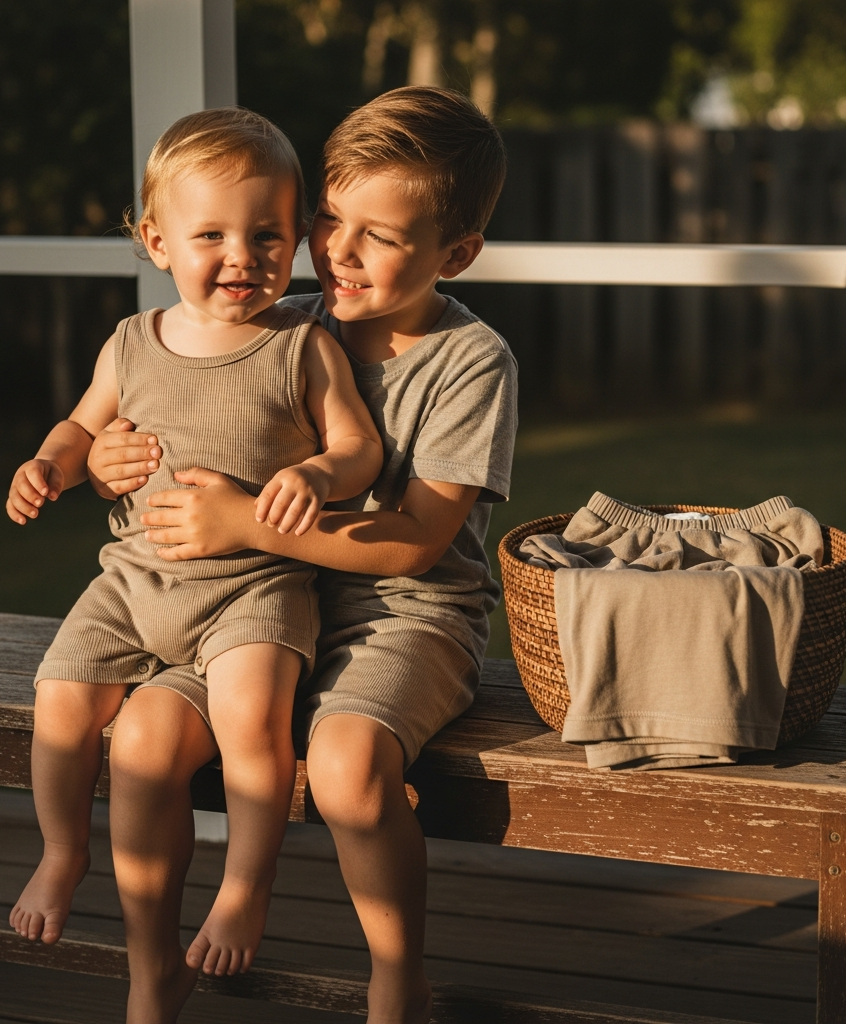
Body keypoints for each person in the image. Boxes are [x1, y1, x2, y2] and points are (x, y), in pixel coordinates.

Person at [90, 85, 515, 1023]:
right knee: (147, 740)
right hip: (258, 604)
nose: (341, 252)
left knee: (347, 764)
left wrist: (246, 525)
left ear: (456, 253)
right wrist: (104, 454)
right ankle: (151, 964)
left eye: (382, 235)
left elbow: (417, 542)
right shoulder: (284, 317)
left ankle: (397, 976)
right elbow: (165, 407)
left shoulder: (469, 361)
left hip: (408, 615)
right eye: (330, 218)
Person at [5, 106, 382, 1022]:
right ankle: (63, 850)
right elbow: (82, 425)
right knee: (60, 699)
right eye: (210, 234)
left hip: (255, 586)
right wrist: (51, 464)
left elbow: (358, 448)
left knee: (253, 719)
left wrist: (318, 471)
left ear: (296, 243)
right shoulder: (132, 342)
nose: (242, 256)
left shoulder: (302, 346)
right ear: (155, 239)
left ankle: (245, 883)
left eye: (267, 236)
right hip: (138, 577)